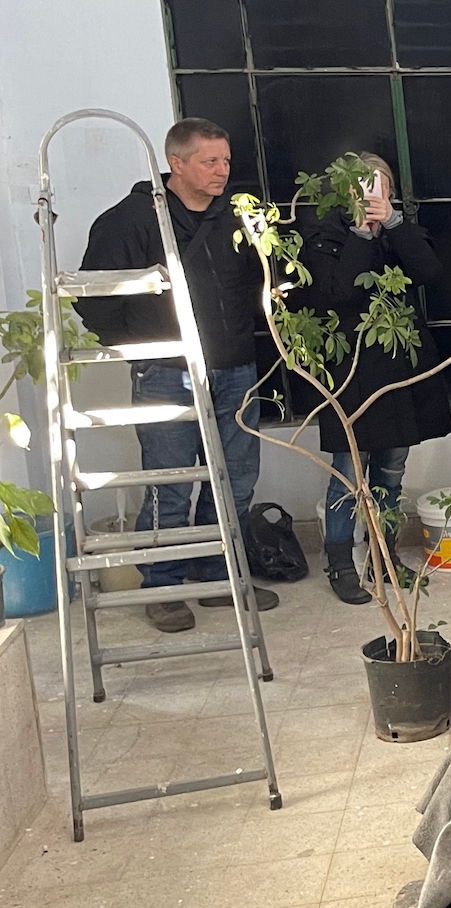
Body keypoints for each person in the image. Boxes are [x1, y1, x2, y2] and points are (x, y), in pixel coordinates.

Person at [77, 117, 274, 633]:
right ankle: (161, 587)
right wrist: (138, 350)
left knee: (236, 477)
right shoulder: (129, 221)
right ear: (176, 164)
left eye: (226, 160)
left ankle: (219, 574)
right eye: (210, 161)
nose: (222, 171)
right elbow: (94, 298)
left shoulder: (236, 216)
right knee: (170, 482)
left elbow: (258, 282)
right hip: (166, 372)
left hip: (235, 368)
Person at [293, 153, 451, 604]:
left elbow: (428, 271)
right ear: (346, 192)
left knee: (392, 466)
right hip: (353, 368)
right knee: (350, 469)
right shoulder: (324, 234)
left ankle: (382, 554)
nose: (372, 197)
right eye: (363, 188)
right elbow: (338, 292)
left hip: (400, 366)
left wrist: (395, 226)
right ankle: (340, 560)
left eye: (379, 187)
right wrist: (362, 234)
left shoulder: (402, 230)